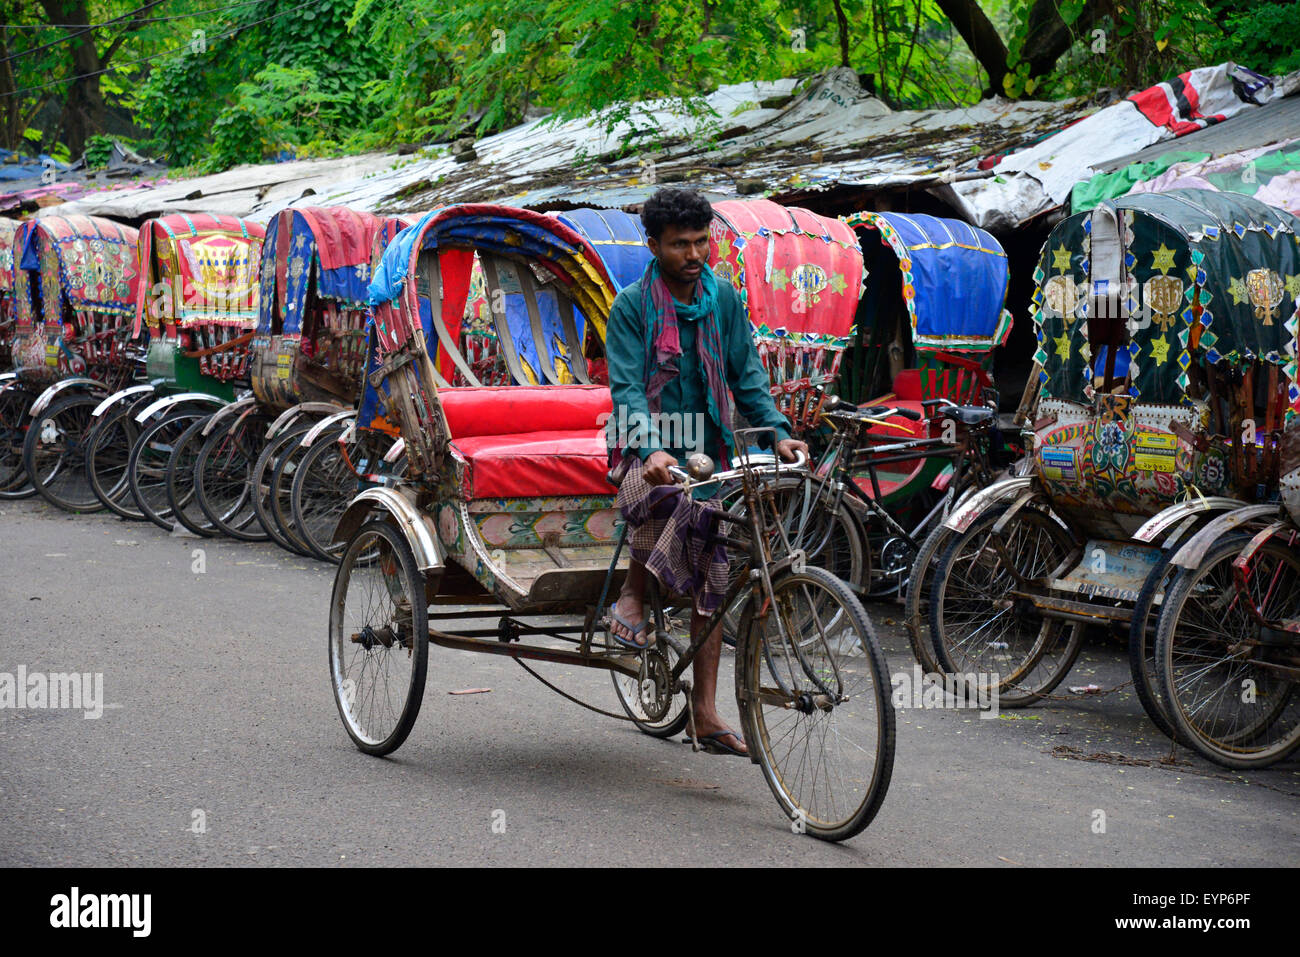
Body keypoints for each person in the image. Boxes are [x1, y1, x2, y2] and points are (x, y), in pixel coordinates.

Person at [604, 187, 808, 757]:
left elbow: (747, 377)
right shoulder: (631, 307)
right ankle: (633, 593)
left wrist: (777, 430)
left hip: (709, 449)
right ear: (653, 246)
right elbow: (625, 389)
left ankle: (705, 712)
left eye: (701, 241)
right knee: (670, 499)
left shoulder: (723, 299)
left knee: (714, 561)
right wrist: (649, 449)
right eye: (679, 245)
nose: (693, 254)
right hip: (640, 446)